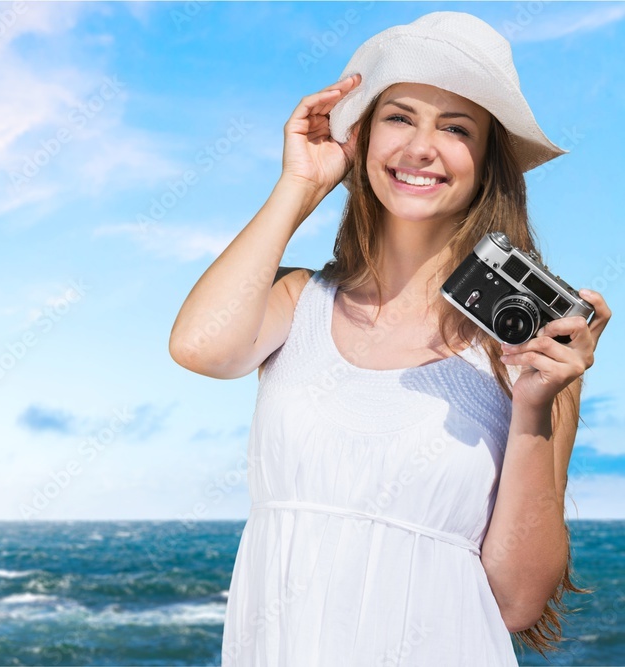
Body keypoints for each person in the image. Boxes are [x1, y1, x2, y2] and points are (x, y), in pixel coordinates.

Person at [167, 11, 611, 666]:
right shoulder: (298, 304)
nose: (422, 146)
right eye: (400, 117)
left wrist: (534, 405)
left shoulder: (529, 359)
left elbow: (516, 601)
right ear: (365, 136)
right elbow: (200, 346)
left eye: (456, 128)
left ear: (486, 162)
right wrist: (300, 184)